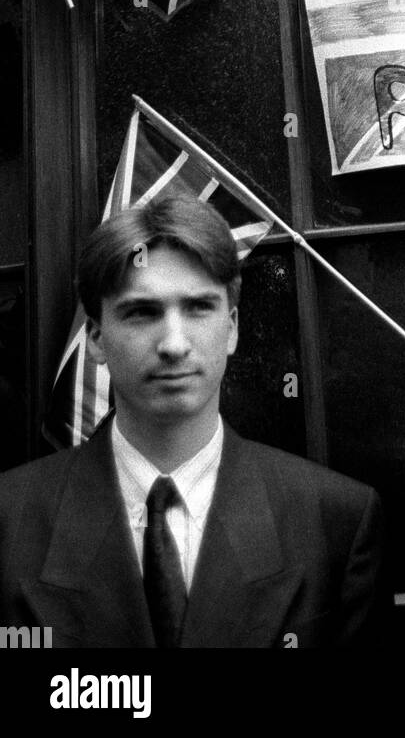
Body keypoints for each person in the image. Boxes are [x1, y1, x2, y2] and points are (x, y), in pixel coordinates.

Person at [0, 196, 385, 648]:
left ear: (233, 328)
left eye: (199, 307)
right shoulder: (9, 522)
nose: (174, 344)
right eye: (142, 312)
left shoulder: (335, 521)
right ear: (97, 338)